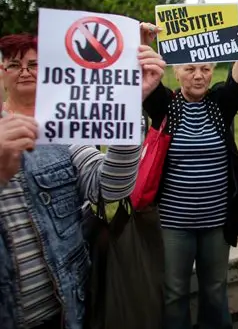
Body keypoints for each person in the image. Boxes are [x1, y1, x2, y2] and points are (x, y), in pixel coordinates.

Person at [0, 25, 165, 329]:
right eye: (14, 63)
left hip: (66, 310)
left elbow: (110, 187)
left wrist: (129, 104)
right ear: (2, 71)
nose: (24, 71)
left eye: (34, 64)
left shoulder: (66, 128)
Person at [142, 25, 238, 329]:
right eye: (190, 68)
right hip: (173, 223)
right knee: (174, 293)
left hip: (216, 223)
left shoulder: (220, 103)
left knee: (214, 290)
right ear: (176, 72)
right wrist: (143, 44)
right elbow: (145, 84)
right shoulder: (165, 106)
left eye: (205, 68)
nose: (198, 75)